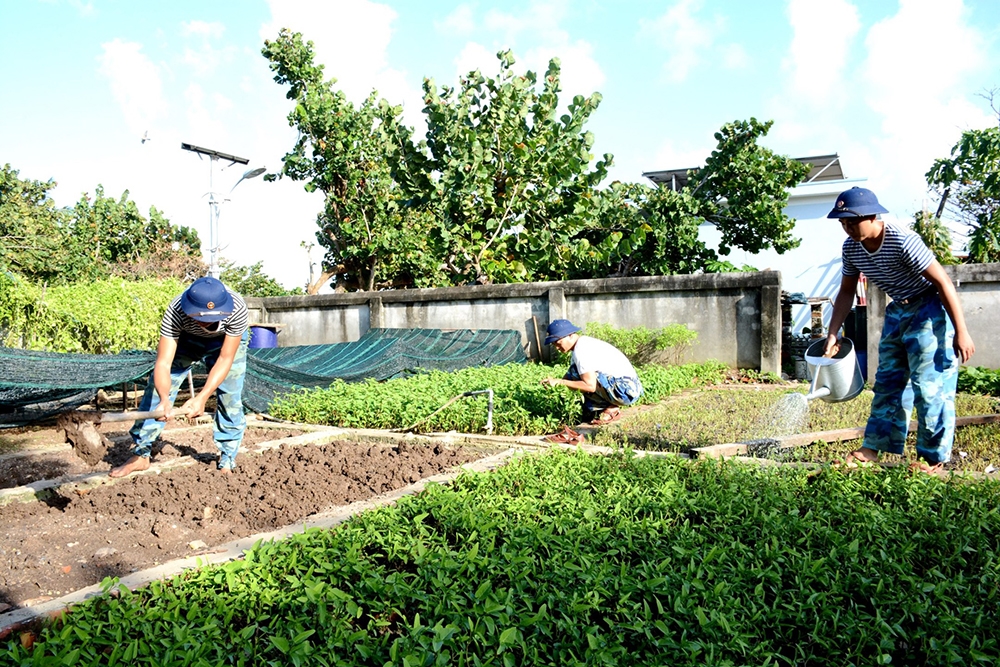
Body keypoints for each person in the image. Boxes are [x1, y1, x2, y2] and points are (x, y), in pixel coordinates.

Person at [823, 187, 975, 473]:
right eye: (843, 223)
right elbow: (846, 292)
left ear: (872, 216)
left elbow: (943, 283)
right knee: (888, 383)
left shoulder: (902, 240)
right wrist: (833, 334)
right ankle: (872, 448)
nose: (848, 228)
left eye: (852, 221)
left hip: (928, 310)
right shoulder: (851, 248)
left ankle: (934, 458)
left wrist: (961, 330)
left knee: (931, 387)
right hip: (897, 311)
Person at [110, 276, 250, 478]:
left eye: (211, 319)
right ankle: (140, 454)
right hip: (187, 339)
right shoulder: (176, 311)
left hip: (224, 342)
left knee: (230, 396)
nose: (205, 323)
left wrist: (202, 397)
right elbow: (163, 363)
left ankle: (227, 456)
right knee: (156, 393)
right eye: (201, 318)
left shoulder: (236, 308)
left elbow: (225, 359)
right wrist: (165, 400)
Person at [540, 319, 644, 425]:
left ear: (570, 335)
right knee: (574, 373)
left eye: (558, 343)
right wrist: (554, 384)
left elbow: (590, 386)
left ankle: (609, 408)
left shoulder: (581, 350)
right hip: (628, 388)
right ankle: (597, 411)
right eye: (554, 345)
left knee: (579, 377)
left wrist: (560, 382)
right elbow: (568, 377)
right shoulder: (581, 345)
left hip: (625, 390)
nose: (557, 348)